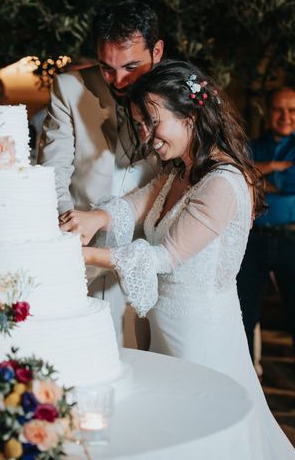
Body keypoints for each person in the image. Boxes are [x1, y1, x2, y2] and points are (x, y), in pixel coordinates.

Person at [77, 60, 294, 457]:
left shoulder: (224, 184)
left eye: (152, 122)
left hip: (201, 338)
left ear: (190, 115)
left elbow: (165, 256)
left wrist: (86, 255)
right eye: (140, 124)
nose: (147, 136)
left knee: (201, 435)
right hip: (165, 329)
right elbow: (141, 201)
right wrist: (97, 216)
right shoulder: (184, 171)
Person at [38, 0, 162, 345]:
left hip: (151, 254)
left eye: (132, 66)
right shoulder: (69, 89)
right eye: (108, 68)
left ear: (158, 50)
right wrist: (73, 227)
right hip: (83, 258)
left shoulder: (178, 93)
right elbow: (52, 172)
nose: (119, 80)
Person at [238, 86, 295, 367]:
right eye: (278, 109)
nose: (285, 116)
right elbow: (238, 176)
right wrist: (275, 165)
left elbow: (288, 184)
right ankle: (248, 379)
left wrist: (258, 174)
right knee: (243, 314)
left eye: (292, 110)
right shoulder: (250, 146)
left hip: (290, 239)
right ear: (268, 112)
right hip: (253, 241)